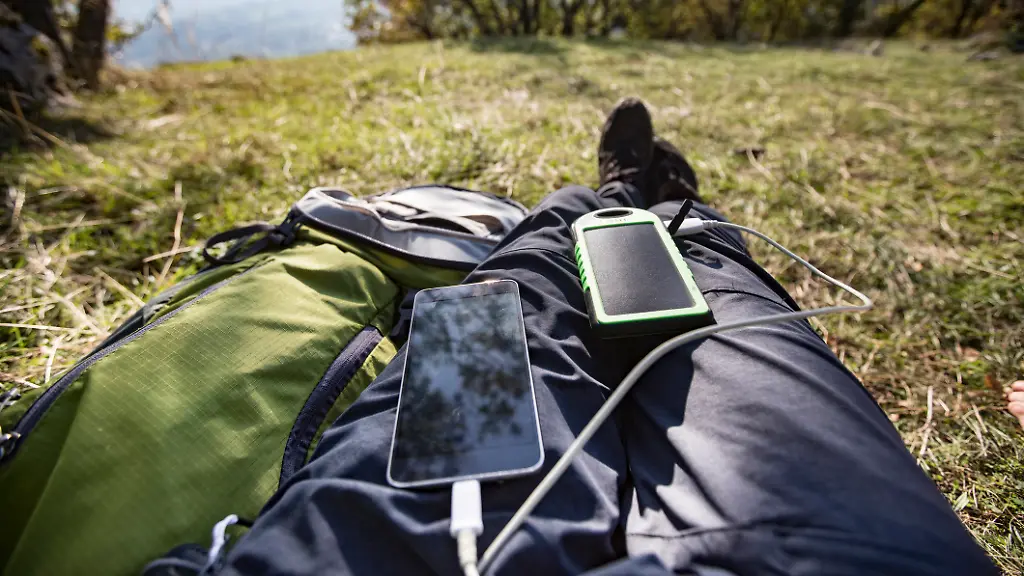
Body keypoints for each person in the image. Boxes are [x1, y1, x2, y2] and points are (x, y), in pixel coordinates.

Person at [213, 99, 997, 575]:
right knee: (712, 283)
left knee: (522, 276)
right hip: (818, 550)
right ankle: (673, 213)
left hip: (367, 546)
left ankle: (610, 193)